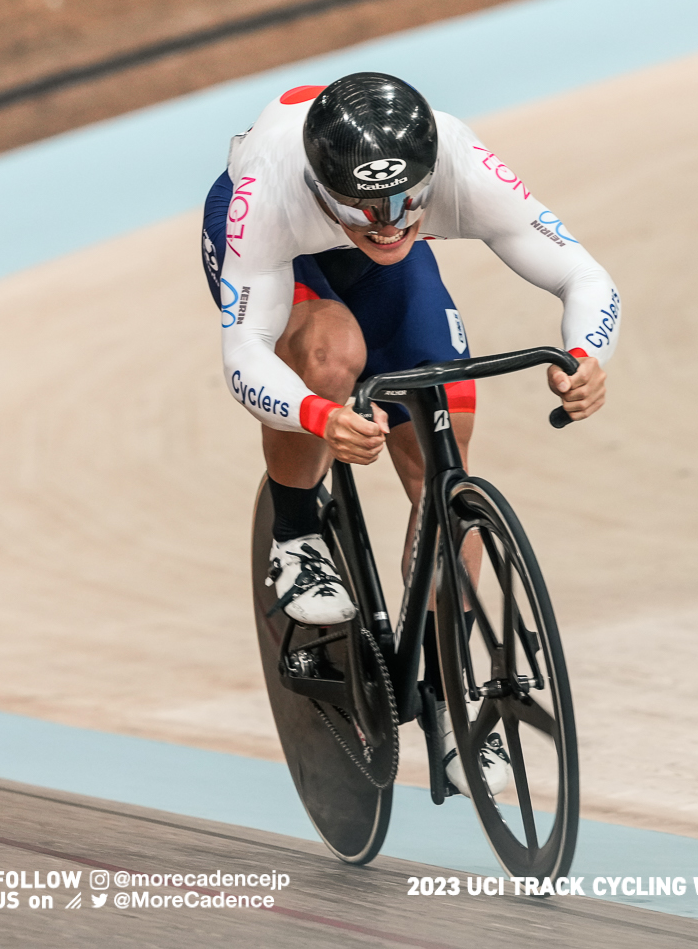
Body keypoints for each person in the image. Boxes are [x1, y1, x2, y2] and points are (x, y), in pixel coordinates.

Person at [202, 71, 618, 795]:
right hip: (286, 260)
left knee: (443, 466)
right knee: (332, 356)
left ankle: (450, 705)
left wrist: (587, 355)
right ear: (325, 190)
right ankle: (297, 534)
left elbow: (585, 276)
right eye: (369, 209)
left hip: (373, 269)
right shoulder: (268, 195)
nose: (392, 221)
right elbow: (244, 354)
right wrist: (318, 414)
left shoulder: (455, 158)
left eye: (407, 201)